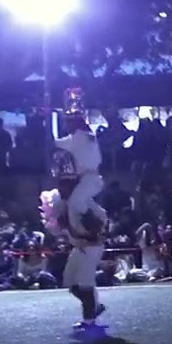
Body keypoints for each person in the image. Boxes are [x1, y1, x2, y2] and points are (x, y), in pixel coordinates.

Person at [41, 183, 111, 339]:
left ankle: (89, 319)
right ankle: (95, 307)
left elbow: (101, 219)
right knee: (70, 281)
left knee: (85, 283)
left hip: (90, 247)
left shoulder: (80, 204)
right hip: (79, 247)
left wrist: (94, 237)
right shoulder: (67, 208)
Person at [53, 88, 106, 240]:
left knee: (74, 205)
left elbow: (55, 143)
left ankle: (85, 233)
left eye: (67, 123)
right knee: (86, 204)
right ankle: (101, 222)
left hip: (89, 178)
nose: (66, 126)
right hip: (90, 178)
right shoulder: (89, 135)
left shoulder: (77, 137)